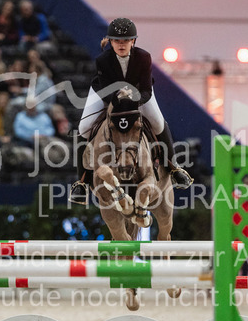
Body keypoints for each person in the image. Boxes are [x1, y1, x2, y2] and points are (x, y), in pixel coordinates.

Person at [68, 17, 193, 204]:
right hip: (106, 93)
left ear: (133, 41)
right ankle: (82, 182)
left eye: (126, 40)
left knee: (158, 123)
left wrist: (134, 100)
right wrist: (118, 100)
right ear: (110, 42)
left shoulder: (144, 57)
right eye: (117, 41)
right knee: (84, 127)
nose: (121, 44)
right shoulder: (103, 60)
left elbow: (146, 90)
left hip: (139, 94)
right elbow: (106, 92)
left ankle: (174, 168)